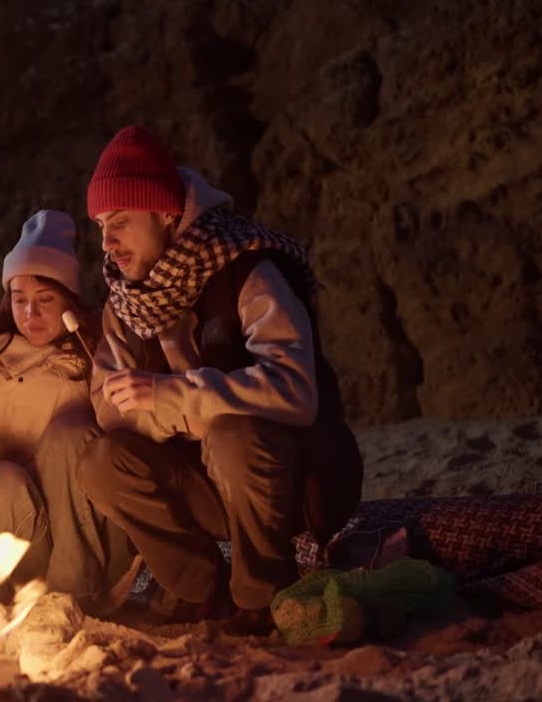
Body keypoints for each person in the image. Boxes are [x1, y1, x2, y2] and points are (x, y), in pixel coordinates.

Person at [78, 126, 363, 634]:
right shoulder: (126, 301)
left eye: (120, 222)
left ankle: (261, 595)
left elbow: (296, 391)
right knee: (101, 461)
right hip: (205, 484)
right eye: (101, 225)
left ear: (165, 214)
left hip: (294, 484)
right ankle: (197, 588)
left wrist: (170, 397)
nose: (107, 242)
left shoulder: (245, 267)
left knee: (231, 434)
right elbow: (108, 407)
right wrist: (171, 414)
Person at [0, 210, 133, 609]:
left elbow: (125, 430)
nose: (31, 314)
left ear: (68, 300)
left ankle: (75, 596)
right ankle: (16, 602)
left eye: (45, 300)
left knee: (70, 433)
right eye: (20, 300)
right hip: (25, 540)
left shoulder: (98, 356)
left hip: (90, 538)